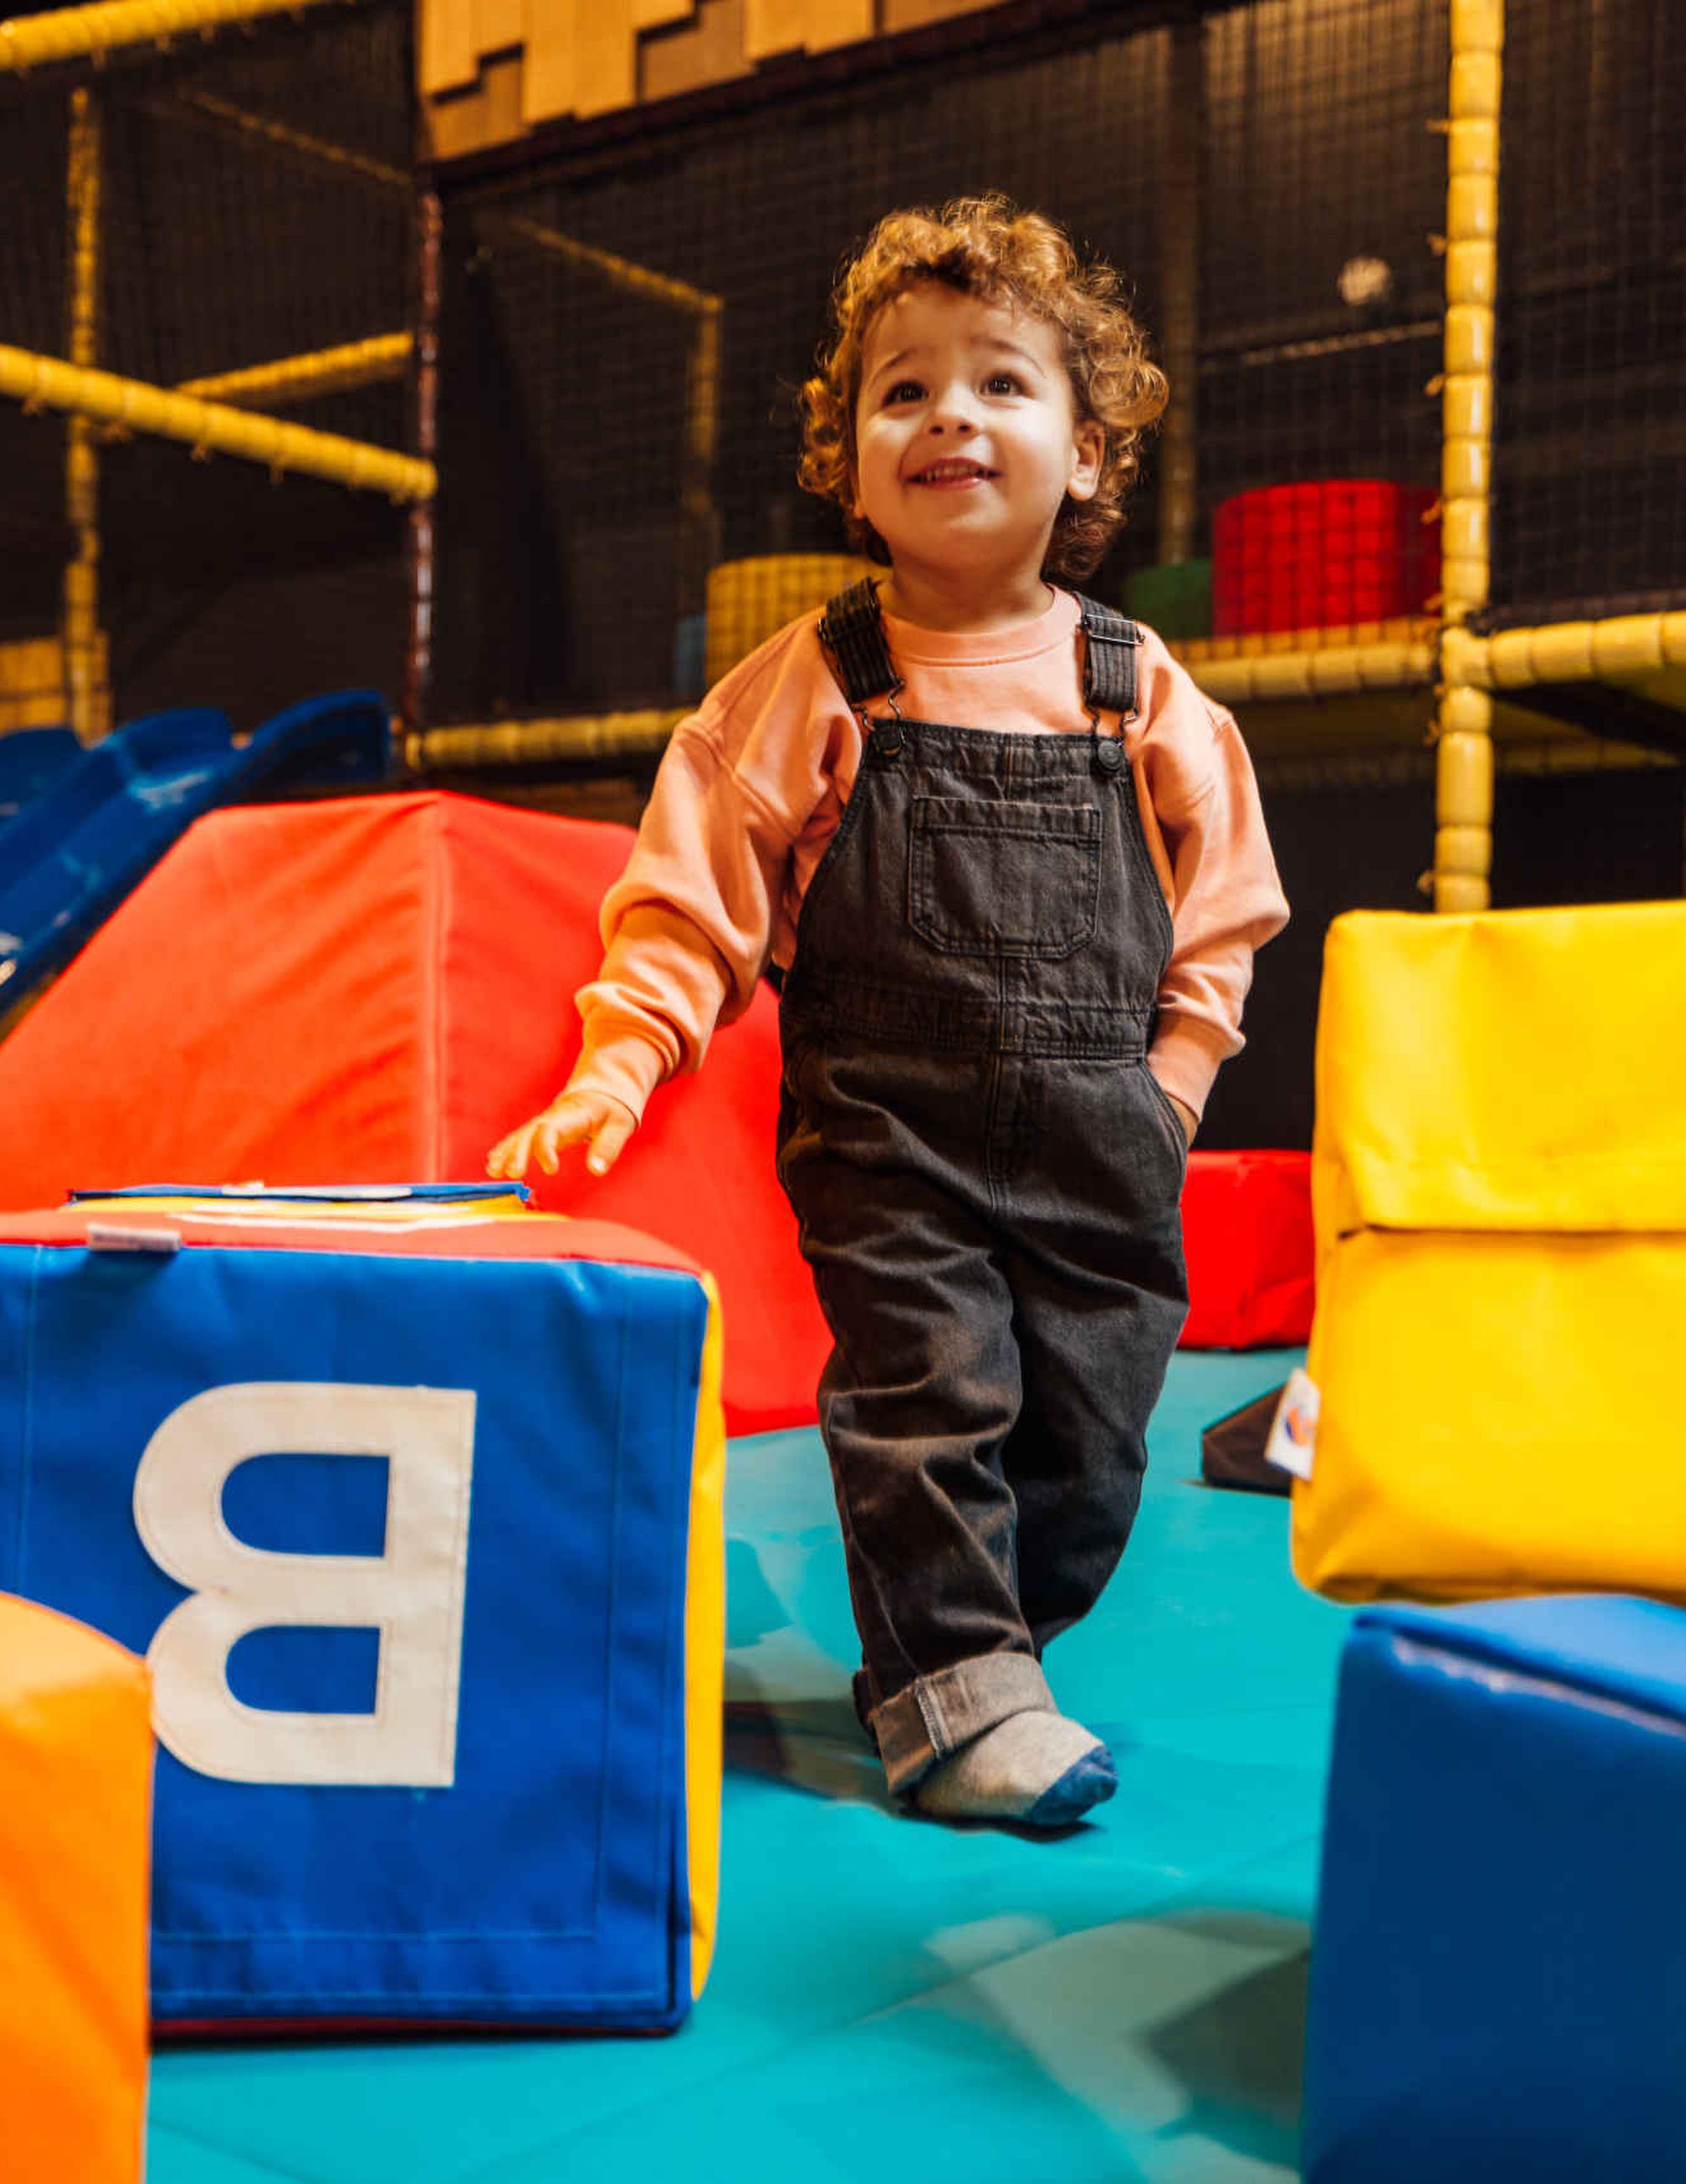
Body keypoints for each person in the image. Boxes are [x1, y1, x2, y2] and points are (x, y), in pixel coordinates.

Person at [489, 196, 1287, 1827]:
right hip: (889, 1130)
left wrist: (1178, 1083)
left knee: (1087, 1447)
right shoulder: (815, 683)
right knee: (928, 1390)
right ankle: (958, 1693)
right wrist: (618, 1058)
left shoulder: (1136, 689)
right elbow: (690, 889)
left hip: (1102, 1136)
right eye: (902, 390)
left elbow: (1229, 899)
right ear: (850, 464)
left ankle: (968, 1655)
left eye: (1003, 383)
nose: (949, 417)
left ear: (1084, 458)